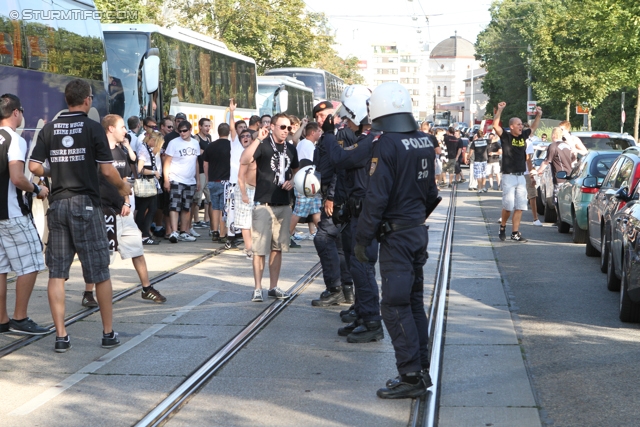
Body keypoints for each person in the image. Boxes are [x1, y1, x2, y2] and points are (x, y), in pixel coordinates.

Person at [29, 79, 132, 352]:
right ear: (87, 100)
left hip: (59, 205)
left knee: (57, 273)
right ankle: (108, 333)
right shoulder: (93, 128)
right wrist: (124, 188)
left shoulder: (50, 129)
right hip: (86, 204)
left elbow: (34, 166)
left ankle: (61, 336)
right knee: (99, 272)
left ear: (66, 100)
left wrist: (56, 172)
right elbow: (108, 172)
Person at [355, 82, 437, 399]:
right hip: (416, 231)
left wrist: (363, 240)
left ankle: (411, 375)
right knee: (413, 302)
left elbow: (376, 199)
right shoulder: (424, 141)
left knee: (394, 305)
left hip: (397, 237)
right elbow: (431, 194)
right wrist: (413, 220)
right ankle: (420, 368)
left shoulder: (385, 144)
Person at [324, 84, 387, 343]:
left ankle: (372, 320)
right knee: (356, 264)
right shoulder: (366, 139)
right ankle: (363, 313)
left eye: (349, 117)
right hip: (356, 213)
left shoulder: (371, 141)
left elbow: (341, 159)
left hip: (365, 215)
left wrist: (328, 136)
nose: (346, 123)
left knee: (361, 267)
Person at [83, 115, 166, 307]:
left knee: (137, 248)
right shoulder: (96, 152)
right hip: (103, 211)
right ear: (110, 129)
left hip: (122, 210)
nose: (125, 131)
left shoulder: (121, 152)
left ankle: (147, 288)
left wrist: (127, 203)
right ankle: (88, 292)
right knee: (101, 254)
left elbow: (126, 181)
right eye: (121, 127)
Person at [0, 93, 49, 335]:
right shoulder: (14, 140)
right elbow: (17, 178)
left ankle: (1, 320)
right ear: (16, 112)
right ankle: (20, 318)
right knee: (31, 263)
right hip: (13, 214)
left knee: (0, 268)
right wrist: (38, 188)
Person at [239, 114, 299, 302]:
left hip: (283, 203)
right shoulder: (263, 145)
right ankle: (258, 288)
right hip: (264, 204)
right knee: (259, 249)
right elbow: (244, 159)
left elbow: (296, 171)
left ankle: (274, 286)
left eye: (288, 128)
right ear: (272, 126)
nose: (285, 131)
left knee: (278, 248)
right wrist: (258, 138)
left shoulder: (291, 148)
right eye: (282, 127)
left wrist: (292, 181)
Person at [311, 100, 354, 307]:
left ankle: (335, 288)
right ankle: (346, 289)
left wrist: (332, 197)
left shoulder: (340, 134)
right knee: (338, 245)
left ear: (333, 115)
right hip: (329, 194)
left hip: (337, 197)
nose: (319, 120)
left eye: (322, 116)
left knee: (323, 238)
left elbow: (341, 168)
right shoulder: (326, 136)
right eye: (317, 117)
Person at [493, 102, 542, 243]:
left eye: (521, 124)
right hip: (508, 176)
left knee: (520, 206)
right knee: (508, 207)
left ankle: (515, 233)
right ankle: (502, 227)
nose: (521, 126)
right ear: (512, 126)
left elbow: (532, 128)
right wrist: (500, 110)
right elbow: (495, 126)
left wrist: (538, 115)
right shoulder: (506, 137)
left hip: (521, 176)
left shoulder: (523, 137)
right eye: (518, 124)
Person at [163, 120, 200, 243]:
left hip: (190, 180)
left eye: (185, 131)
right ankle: (174, 231)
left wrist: (198, 180)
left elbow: (196, 162)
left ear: (190, 130)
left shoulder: (195, 143)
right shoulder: (174, 143)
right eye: (180, 131)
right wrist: (166, 180)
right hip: (176, 178)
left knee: (187, 207)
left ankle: (184, 231)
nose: (182, 133)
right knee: (174, 206)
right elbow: (167, 161)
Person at [289, 122, 322, 245]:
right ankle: (287, 236)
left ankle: (324, 235)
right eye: (319, 131)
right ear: (312, 133)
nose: (320, 133)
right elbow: (313, 164)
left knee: (316, 210)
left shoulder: (302, 143)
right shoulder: (310, 146)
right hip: (307, 183)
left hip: (306, 182)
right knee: (299, 211)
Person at [534, 126, 574, 219]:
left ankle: (560, 219)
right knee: (567, 200)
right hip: (569, 176)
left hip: (559, 177)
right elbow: (573, 158)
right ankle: (565, 218)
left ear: (553, 135)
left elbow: (547, 161)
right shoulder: (567, 145)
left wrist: (538, 171)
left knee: (557, 200)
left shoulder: (553, 146)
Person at [203, 122, 232, 243]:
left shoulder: (210, 146)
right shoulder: (232, 146)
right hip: (226, 181)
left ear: (218, 132)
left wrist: (208, 177)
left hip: (213, 180)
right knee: (224, 208)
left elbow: (205, 163)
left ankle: (214, 231)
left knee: (215, 207)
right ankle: (222, 233)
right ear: (229, 132)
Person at [135, 131, 163, 245]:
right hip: (146, 182)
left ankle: (144, 233)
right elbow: (140, 169)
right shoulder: (143, 150)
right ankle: (144, 234)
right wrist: (153, 172)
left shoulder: (146, 149)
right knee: (145, 209)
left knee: (151, 208)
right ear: (153, 141)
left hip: (150, 182)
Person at [236, 128, 259, 259]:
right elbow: (240, 176)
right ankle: (249, 248)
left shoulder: (257, 151)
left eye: (248, 136)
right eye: (242, 136)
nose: (245, 138)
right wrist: (244, 194)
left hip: (256, 189)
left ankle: (254, 246)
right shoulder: (245, 154)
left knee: (255, 220)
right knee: (245, 221)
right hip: (244, 188)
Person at [191, 117, 213, 235]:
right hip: (199, 170)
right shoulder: (196, 138)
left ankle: (208, 219)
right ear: (200, 126)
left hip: (208, 170)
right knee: (197, 197)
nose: (207, 128)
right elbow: (197, 152)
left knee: (210, 197)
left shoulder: (209, 138)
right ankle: (196, 220)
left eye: (209, 126)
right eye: (205, 126)